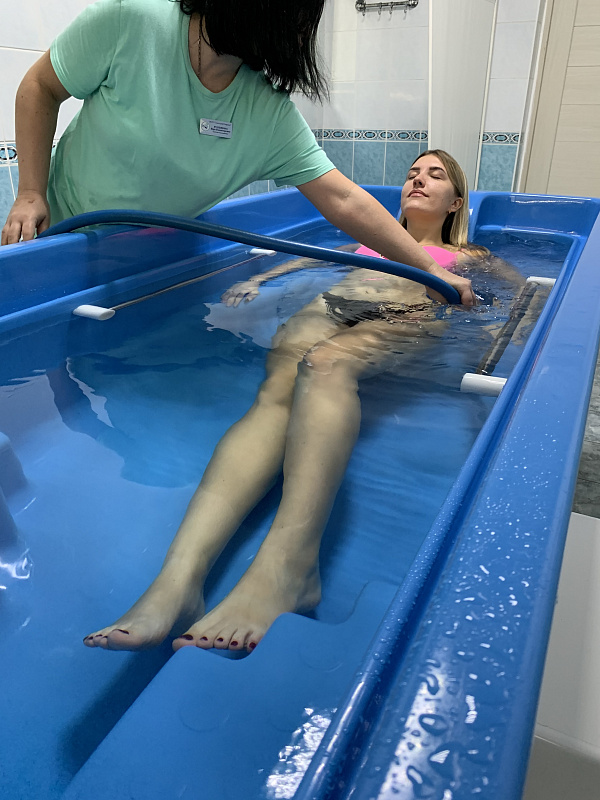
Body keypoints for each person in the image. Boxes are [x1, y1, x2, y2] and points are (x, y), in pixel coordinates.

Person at [83, 149, 524, 654]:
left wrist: (499, 337)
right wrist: (258, 278)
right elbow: (310, 259)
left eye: (435, 175)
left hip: (407, 313)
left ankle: (290, 566)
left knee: (326, 364)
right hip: (337, 303)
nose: (417, 181)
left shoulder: (471, 257)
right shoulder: (368, 242)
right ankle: (178, 581)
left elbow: (521, 298)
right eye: (411, 174)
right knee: (278, 388)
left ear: (456, 202)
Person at [0, 0, 473, 304]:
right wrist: (29, 192)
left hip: (152, 261)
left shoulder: (267, 112)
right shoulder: (131, 20)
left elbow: (343, 198)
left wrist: (431, 271)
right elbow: (40, 87)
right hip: (60, 239)